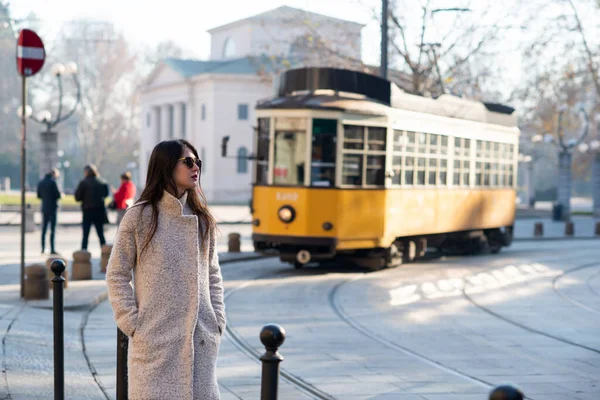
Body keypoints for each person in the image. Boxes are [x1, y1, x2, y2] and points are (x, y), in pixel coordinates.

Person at [106, 139, 225, 400]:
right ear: (167, 166)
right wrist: (133, 323)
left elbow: (213, 274)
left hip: (200, 342)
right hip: (155, 344)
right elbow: (116, 273)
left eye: (198, 162)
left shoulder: (203, 218)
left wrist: (216, 320)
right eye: (188, 162)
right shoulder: (140, 216)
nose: (196, 168)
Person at [74, 164, 110, 251]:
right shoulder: (102, 181)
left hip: (87, 211)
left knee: (85, 234)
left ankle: (84, 251)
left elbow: (77, 197)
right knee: (101, 234)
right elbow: (106, 194)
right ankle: (104, 252)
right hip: (99, 210)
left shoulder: (83, 183)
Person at [36, 168, 63, 254]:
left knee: (43, 229)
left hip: (44, 207)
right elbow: (58, 195)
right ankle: (52, 249)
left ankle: (43, 248)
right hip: (53, 208)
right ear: (54, 174)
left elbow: (39, 195)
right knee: (52, 230)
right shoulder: (53, 182)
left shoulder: (41, 182)